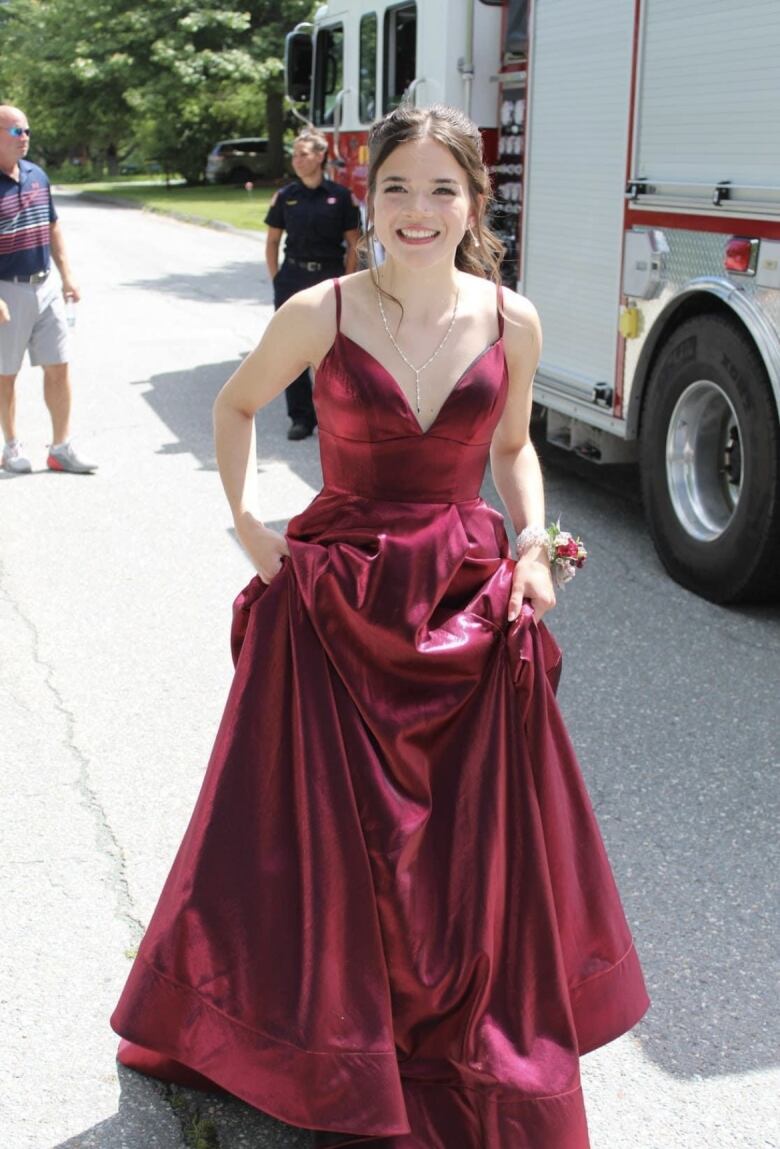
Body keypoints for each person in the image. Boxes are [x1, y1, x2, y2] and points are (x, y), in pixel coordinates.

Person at [112, 104, 649, 1148]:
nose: (418, 209)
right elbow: (233, 407)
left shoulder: (513, 319)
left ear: (472, 203)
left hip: (463, 598)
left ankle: (442, 1035)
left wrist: (532, 540)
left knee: (460, 842)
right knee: (314, 836)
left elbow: (510, 450)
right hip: (338, 600)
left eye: (441, 188)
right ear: (369, 197)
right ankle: (324, 1039)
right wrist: (250, 533)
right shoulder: (321, 311)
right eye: (396, 186)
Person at [0, 104, 96, 474]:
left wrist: (67, 276)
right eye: (15, 132)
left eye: (26, 131)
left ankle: (61, 448)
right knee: (6, 374)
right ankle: (11, 445)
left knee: (59, 366)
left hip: (45, 286)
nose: (24, 138)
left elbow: (52, 225)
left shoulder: (36, 175)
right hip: (6, 290)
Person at [265, 127, 360, 441]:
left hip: (328, 278)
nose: (297, 160)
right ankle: (301, 417)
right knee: (293, 349)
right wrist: (277, 278)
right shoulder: (286, 197)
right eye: (294, 155)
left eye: (303, 154)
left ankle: (334, 417)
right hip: (292, 277)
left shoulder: (340, 196)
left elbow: (353, 243)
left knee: (331, 352)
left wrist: (345, 282)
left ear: (321, 157)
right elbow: (273, 241)